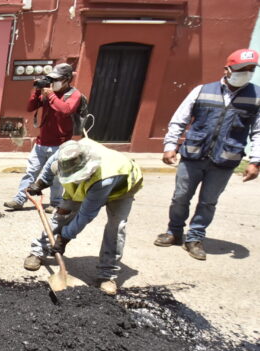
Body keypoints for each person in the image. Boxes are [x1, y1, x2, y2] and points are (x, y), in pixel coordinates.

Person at [154, 48, 260, 260]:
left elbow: (258, 131)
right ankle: (174, 231)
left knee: (208, 202)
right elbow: (179, 119)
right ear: (227, 70)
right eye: (241, 69)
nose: (246, 73)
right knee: (180, 197)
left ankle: (194, 237)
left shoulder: (256, 97)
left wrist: (256, 161)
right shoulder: (202, 91)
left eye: (250, 69)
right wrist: (170, 145)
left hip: (225, 159)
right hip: (193, 155)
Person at [24, 140, 143, 295]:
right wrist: (41, 183)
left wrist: (64, 238)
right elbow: (49, 165)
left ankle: (107, 275)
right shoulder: (66, 155)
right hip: (89, 183)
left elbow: (85, 215)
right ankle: (38, 251)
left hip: (121, 187)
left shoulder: (104, 177)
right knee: (61, 216)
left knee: (116, 226)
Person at [4, 63, 82, 213]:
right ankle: (20, 199)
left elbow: (66, 110)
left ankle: (55, 203)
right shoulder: (48, 92)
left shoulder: (73, 94)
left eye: (56, 79)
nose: (53, 82)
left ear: (66, 79)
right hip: (41, 142)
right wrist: (37, 91)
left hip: (60, 145)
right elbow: (30, 107)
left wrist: (51, 95)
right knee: (31, 172)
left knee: (57, 176)